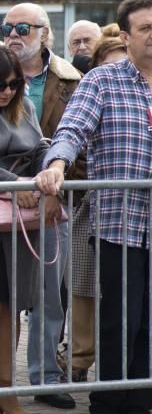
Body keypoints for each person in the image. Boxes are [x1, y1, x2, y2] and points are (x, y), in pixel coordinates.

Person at [36, 0, 152, 414]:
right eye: (145, 29)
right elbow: (72, 130)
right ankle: (105, 406)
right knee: (120, 318)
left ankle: (139, 405)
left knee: (149, 321)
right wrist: (57, 164)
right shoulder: (102, 81)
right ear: (125, 36)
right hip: (118, 221)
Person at [1, 3, 81, 406]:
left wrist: (55, 189)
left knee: (50, 294)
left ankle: (46, 375)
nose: (13, 34)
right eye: (7, 28)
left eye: (23, 28)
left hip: (53, 201)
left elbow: (79, 143)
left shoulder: (72, 80)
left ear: (45, 33)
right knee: (0, 297)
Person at [0, 45, 56, 414]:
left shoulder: (26, 108)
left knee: (11, 305)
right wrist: (13, 181)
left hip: (20, 217)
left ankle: (5, 389)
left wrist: (49, 170)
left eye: (14, 84)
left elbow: (40, 145)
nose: (7, 91)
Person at [64, 35, 128, 386]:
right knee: (85, 287)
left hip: (134, 209)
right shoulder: (94, 89)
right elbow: (70, 134)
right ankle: (79, 358)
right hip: (94, 204)